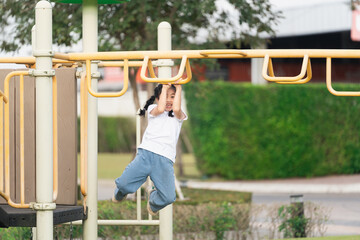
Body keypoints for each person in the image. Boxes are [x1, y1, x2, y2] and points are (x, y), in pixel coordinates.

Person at [113, 83, 187, 216]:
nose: (169, 100)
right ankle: (120, 193)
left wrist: (179, 88)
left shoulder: (179, 116)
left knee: (169, 197)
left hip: (164, 160)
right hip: (146, 155)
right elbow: (160, 108)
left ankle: (153, 199)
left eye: (173, 96)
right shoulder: (154, 109)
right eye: (165, 96)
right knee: (124, 184)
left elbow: (176, 108)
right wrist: (164, 88)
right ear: (158, 99)